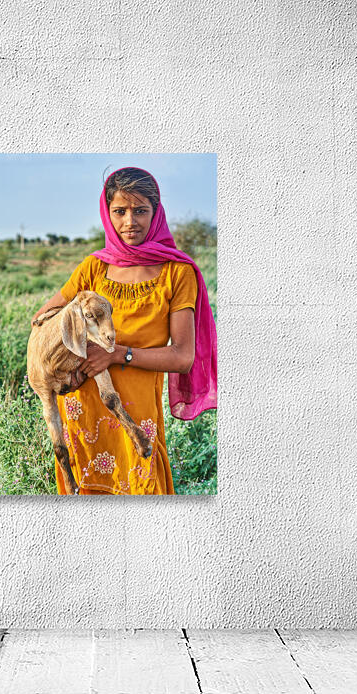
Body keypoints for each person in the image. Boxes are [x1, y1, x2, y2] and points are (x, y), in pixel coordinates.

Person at [31, 167, 217, 495]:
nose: (129, 221)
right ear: (107, 213)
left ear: (156, 213)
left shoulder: (177, 273)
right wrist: (66, 362)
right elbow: (44, 317)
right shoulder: (93, 268)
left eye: (140, 210)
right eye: (120, 211)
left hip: (136, 419)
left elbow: (184, 357)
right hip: (80, 410)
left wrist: (118, 354)